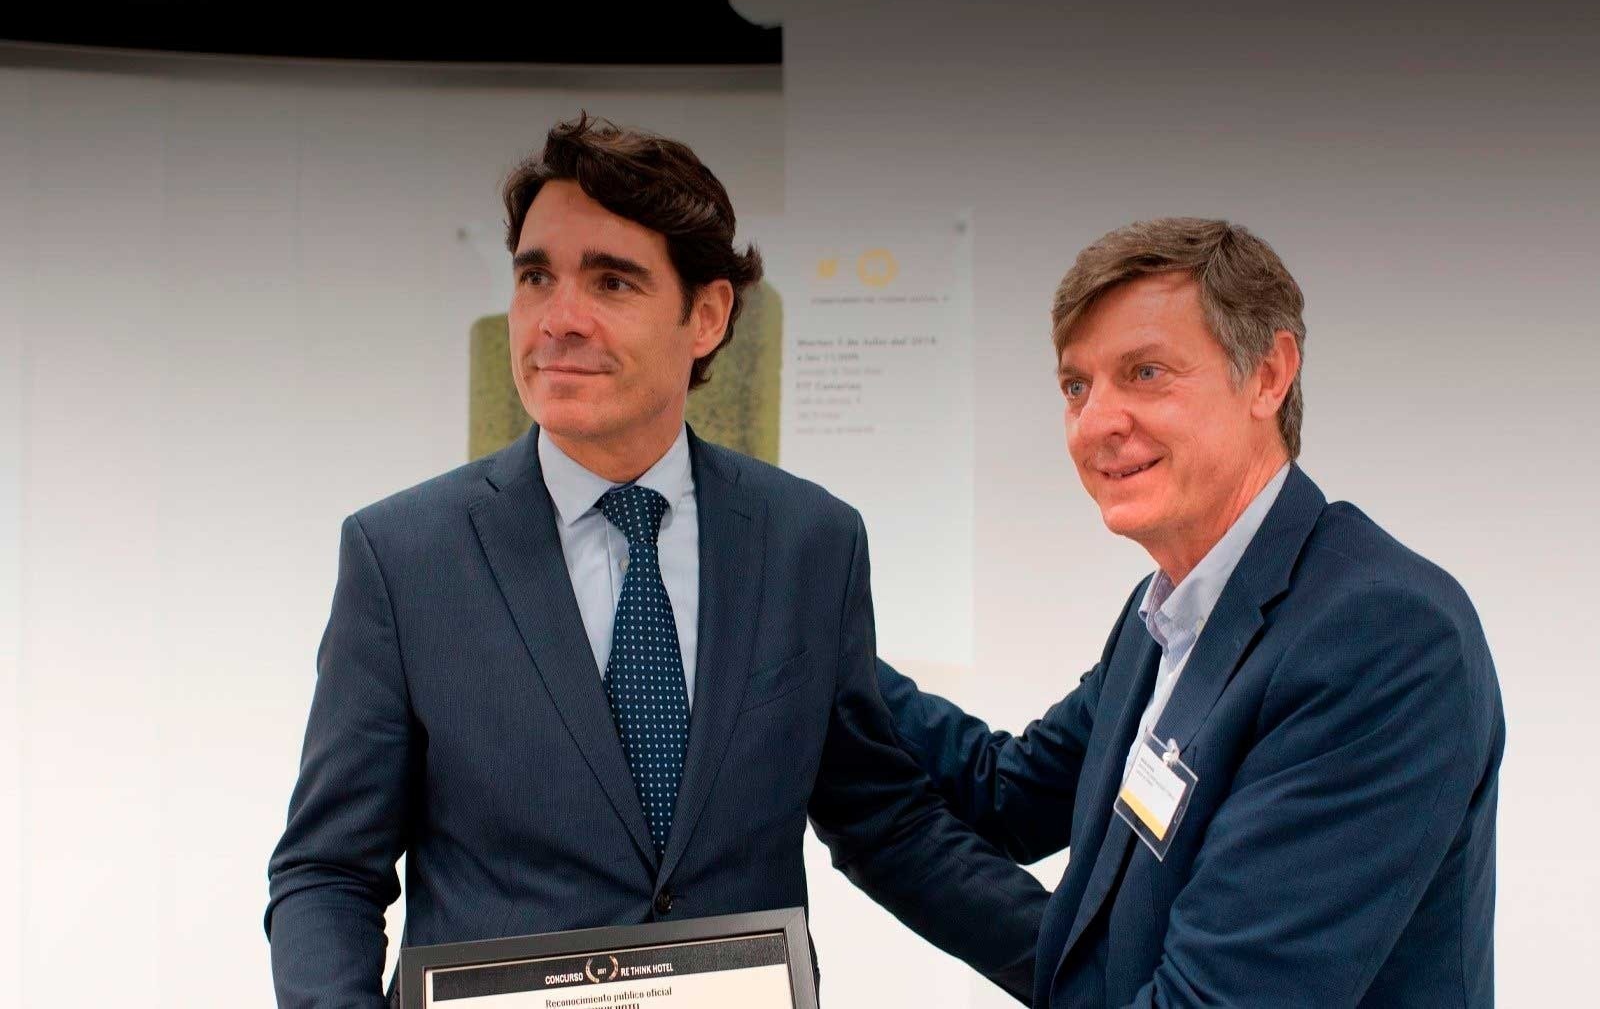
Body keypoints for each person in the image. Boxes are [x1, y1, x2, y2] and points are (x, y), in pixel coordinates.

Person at [265, 115, 1046, 1007]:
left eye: (612, 280)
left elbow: (885, 820)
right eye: (535, 277)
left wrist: (1093, 977)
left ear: (706, 315)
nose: (560, 318)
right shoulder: (403, 557)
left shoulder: (809, 542)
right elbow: (328, 872)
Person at [879, 217, 1504, 1008]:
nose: (1097, 422)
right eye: (1076, 385)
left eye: (1144, 372)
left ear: (1269, 374)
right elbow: (1005, 795)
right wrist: (814, 648)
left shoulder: (1385, 635)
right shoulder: (1166, 616)